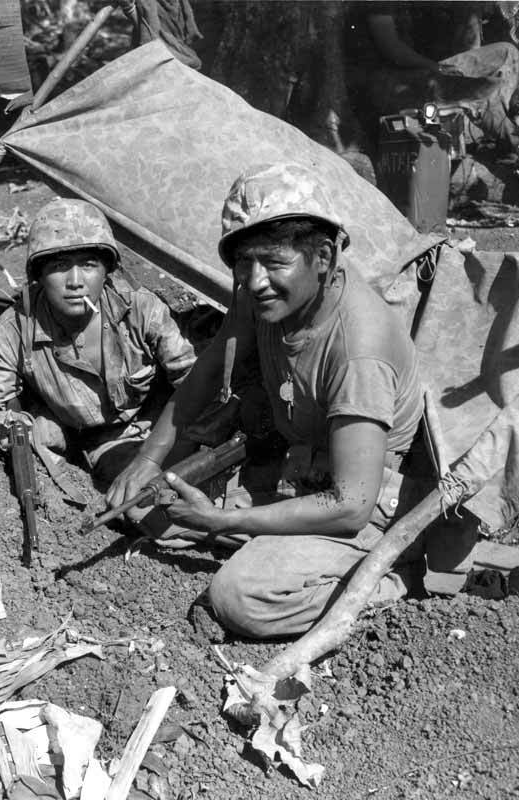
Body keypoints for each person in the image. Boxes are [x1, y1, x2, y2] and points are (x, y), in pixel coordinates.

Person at [106, 163, 428, 639]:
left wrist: (221, 520)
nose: (254, 281)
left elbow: (350, 506)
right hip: (298, 472)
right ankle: (265, 539)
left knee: (239, 598)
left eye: (274, 263)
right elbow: (212, 365)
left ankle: (396, 574)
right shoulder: (264, 294)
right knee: (144, 505)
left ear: (322, 256)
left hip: (364, 506)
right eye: (243, 263)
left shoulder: (360, 349)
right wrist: (149, 458)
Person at [0, 198, 197, 483]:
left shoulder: (140, 310)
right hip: (102, 444)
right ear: (39, 276)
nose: (75, 281)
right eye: (59, 266)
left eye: (89, 264)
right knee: (143, 501)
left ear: (107, 271)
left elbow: (192, 379)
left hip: (167, 423)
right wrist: (28, 430)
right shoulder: (14, 330)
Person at [345, 1, 519, 150]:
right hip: (389, 84)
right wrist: (433, 67)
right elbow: (391, 49)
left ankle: (507, 128)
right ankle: (516, 143)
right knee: (476, 90)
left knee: (507, 53)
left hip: (420, 74)